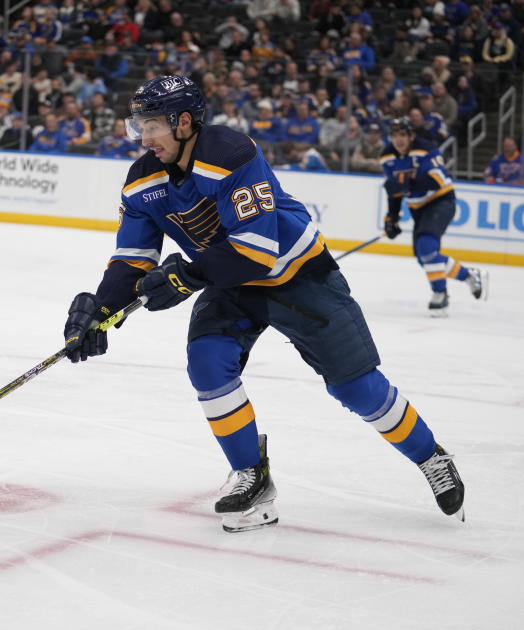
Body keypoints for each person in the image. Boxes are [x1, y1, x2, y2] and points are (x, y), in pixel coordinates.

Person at [61, 75, 466, 533]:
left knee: (356, 387)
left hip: (299, 275)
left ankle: (432, 456)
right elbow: (133, 258)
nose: (142, 136)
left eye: (151, 124)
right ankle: (252, 476)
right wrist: (100, 309)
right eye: (138, 124)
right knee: (208, 363)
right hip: (230, 281)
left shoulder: (232, 154)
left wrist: (187, 275)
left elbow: (256, 250)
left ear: (185, 122)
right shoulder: (141, 181)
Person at [381, 116, 486, 314]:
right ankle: (468, 276)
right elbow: (395, 190)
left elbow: (436, 180)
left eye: (402, 134)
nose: (398, 139)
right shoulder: (387, 157)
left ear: (411, 136)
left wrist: (409, 184)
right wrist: (392, 217)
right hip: (417, 209)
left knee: (427, 247)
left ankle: (440, 294)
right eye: (395, 135)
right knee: (425, 258)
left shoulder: (426, 148)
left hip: (441, 201)